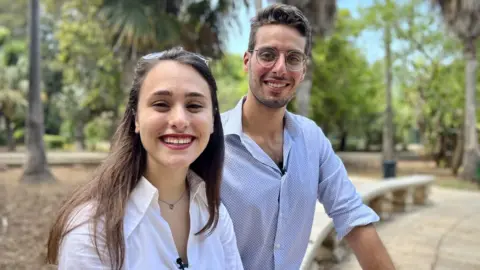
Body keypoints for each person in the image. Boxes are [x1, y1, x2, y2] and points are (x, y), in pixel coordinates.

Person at [220, 4, 395, 270]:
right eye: (268, 54)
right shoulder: (208, 140)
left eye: (293, 58)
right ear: (247, 61)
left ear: (303, 69)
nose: (280, 68)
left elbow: (352, 215)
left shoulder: (312, 139)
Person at [46, 47, 243, 270]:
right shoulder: (92, 231)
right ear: (136, 119)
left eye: (194, 106)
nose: (179, 120)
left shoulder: (215, 215)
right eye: (161, 104)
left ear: (213, 122)